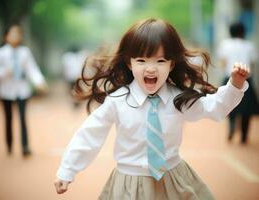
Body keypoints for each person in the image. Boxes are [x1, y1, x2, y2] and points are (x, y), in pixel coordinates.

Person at [54, 18, 249, 199]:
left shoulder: (178, 98)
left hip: (174, 178)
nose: (150, 68)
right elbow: (90, 134)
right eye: (141, 60)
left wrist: (235, 85)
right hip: (129, 182)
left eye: (160, 60)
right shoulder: (117, 100)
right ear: (129, 63)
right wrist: (67, 170)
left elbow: (213, 108)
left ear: (172, 64)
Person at [0, 24, 48, 156]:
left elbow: (32, 69)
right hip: (6, 90)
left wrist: (40, 82)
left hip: (22, 90)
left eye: (17, 34)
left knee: (23, 118)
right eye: (12, 34)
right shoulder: (0, 53)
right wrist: (5, 72)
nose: (15, 36)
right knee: (8, 118)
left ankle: (25, 146)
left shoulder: (25, 52)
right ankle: (9, 144)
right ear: (6, 37)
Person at [217, 22, 258, 144]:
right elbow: (253, 63)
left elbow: (223, 62)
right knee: (247, 110)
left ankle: (232, 125)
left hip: (229, 77)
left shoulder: (225, 44)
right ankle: (244, 136)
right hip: (245, 78)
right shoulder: (249, 45)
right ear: (243, 32)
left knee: (228, 105)